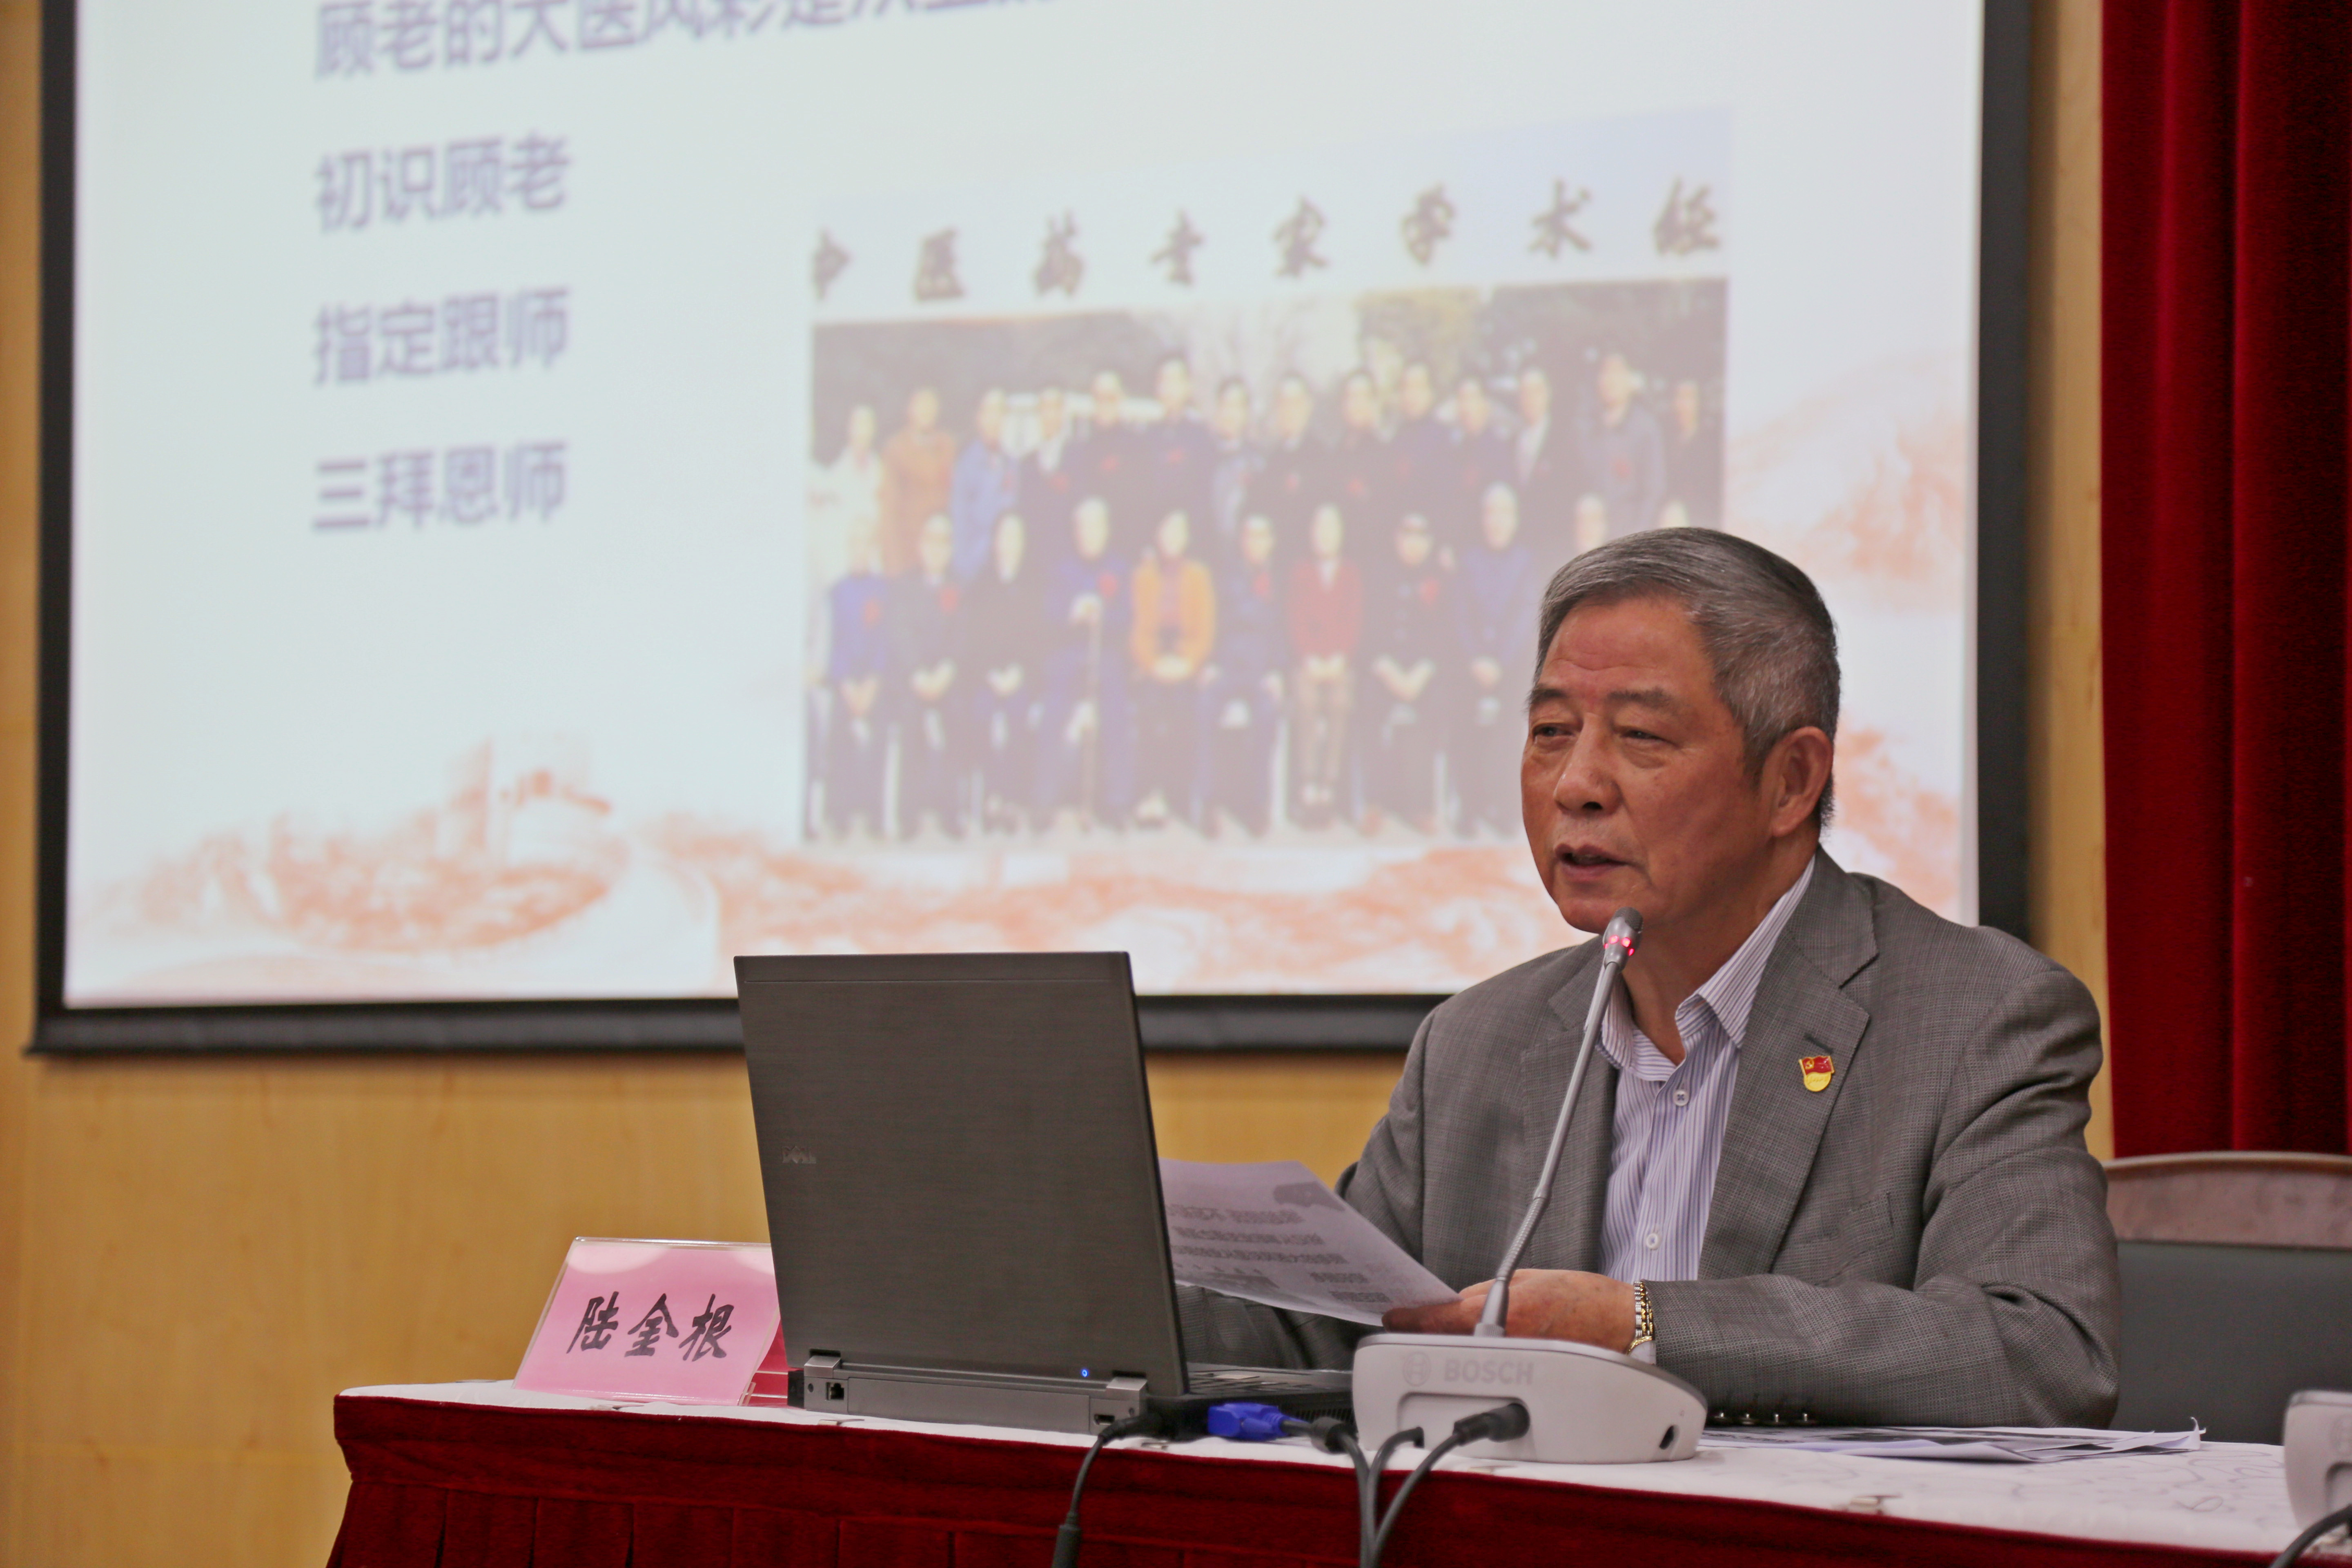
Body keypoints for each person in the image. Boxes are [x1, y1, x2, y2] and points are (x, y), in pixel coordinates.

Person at [1178, 529, 2121, 1430]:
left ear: (1791, 782)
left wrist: (1639, 1325)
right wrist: (1108, 1280)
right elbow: (1323, 1331)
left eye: (1639, 736)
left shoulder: (1976, 1019)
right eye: (1551, 730)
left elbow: (2037, 1351)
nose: (1575, 784)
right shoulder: (1475, 1044)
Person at [1034, 496, 1136, 829]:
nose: (1089, 534)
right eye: (1083, 527)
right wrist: (1072, 613)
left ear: (1106, 530)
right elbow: (1048, 614)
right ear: (1075, 531)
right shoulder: (1061, 567)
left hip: (1105, 653)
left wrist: (1104, 613)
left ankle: (1118, 801)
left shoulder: (1119, 568)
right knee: (1053, 711)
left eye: (1095, 527)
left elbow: (1127, 617)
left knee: (1116, 712)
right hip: (1069, 652)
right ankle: (1044, 799)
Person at [1452, 483, 1541, 835]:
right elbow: (1460, 615)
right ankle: (1469, 808)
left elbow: (1524, 617)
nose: (1497, 521)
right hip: (1471, 663)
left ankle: (1504, 808)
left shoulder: (1526, 562)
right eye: (1491, 513)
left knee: (1509, 729)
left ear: (1515, 519)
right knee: (1465, 726)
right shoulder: (1467, 560)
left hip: (1511, 664)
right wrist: (1476, 659)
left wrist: (1500, 663)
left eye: (1504, 513)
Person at [1199, 513, 1286, 836]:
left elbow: (1284, 630)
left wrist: (1278, 670)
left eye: (1262, 536)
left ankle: (1257, 806)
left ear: (1272, 541)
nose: (1255, 542)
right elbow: (1212, 619)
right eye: (1249, 535)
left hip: (1261, 670)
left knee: (1267, 714)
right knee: (1204, 706)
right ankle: (1208, 803)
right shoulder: (1225, 575)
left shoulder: (1280, 577)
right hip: (1227, 666)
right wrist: (1210, 662)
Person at [1129, 509, 1216, 828]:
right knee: (1149, 711)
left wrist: (1186, 664)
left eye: (1178, 532)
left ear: (1187, 538)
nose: (1171, 539)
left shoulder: (1199, 576)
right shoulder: (1143, 576)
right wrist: (1153, 664)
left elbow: (1206, 632)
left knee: (1195, 711)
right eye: (1166, 531)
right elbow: (1136, 631)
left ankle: (1200, 802)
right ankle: (1150, 797)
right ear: (1157, 536)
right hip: (1153, 665)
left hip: (1186, 665)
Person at [1363, 513, 1449, 833]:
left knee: (1432, 712)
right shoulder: (1378, 575)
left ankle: (1422, 807)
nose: (1414, 543)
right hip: (1386, 670)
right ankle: (1374, 804)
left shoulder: (1441, 577)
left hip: (1423, 673)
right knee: (1369, 710)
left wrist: (1422, 673)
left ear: (1430, 542)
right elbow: (1368, 628)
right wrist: (1387, 670)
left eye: (1421, 535)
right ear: (1397, 538)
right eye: (1408, 534)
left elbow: (1444, 633)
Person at [886, 513, 967, 838]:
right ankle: (909, 815)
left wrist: (947, 670)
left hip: (947, 677)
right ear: (920, 545)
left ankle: (952, 812)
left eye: (944, 541)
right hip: (913, 677)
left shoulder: (960, 586)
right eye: (931, 540)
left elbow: (962, 634)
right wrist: (918, 674)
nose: (937, 548)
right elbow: (900, 634)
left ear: (951, 548)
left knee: (959, 715)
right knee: (910, 717)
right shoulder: (903, 585)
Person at [964, 511, 1042, 832]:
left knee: (1018, 718)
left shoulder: (1034, 585)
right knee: (980, 716)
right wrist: (991, 675)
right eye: (1004, 536)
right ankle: (990, 796)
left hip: (1021, 677)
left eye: (1016, 537)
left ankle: (1010, 799)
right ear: (995, 542)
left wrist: (1019, 674)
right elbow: (973, 640)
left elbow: (1038, 641)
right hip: (987, 677)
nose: (1010, 544)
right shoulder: (980, 586)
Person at [1286, 503, 1363, 829]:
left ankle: (1328, 786)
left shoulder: (1351, 574)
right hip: (1308, 661)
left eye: (1331, 528)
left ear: (1341, 534)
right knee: (1305, 700)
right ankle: (1308, 785)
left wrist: (1340, 658)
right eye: (1319, 528)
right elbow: (1295, 619)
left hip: (1340, 661)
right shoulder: (1300, 572)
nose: (1324, 536)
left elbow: (1354, 621)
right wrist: (1309, 657)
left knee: (1340, 702)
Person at [817, 517, 889, 838]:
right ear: (848, 548)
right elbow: (834, 643)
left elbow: (885, 641)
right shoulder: (836, 591)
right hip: (845, 683)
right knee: (838, 731)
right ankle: (839, 813)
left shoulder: (884, 590)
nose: (860, 549)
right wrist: (846, 685)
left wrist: (872, 683)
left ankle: (874, 813)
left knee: (880, 731)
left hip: (874, 682)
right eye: (854, 543)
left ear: (873, 548)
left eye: (865, 543)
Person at [1580, 352, 1666, 540]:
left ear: (1631, 380)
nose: (1610, 380)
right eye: (1605, 372)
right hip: (1592, 543)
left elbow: (1653, 492)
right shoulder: (1587, 429)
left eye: (1617, 372)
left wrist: (1637, 540)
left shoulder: (1646, 429)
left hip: (1629, 540)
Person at [878, 387, 956, 577]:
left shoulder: (947, 447)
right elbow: (889, 513)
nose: (926, 411)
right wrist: (894, 568)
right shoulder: (896, 449)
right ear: (910, 410)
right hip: (909, 555)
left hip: (941, 555)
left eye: (931, 406)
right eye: (921, 405)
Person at [1144, 355, 1218, 550]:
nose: (1169, 389)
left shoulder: (1201, 438)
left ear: (1188, 387)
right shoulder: (1148, 438)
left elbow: (1204, 497)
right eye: (1164, 381)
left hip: (1192, 544)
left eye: (1175, 381)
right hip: (1156, 545)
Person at [949, 388, 1020, 582]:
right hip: (976, 573)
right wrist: (964, 575)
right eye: (989, 411)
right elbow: (960, 526)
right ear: (979, 417)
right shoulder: (966, 466)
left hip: (1005, 573)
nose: (995, 419)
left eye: (1000, 411)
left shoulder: (1012, 464)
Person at [1074, 370, 1145, 561]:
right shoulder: (1083, 449)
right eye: (1099, 398)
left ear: (1122, 398)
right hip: (1090, 557)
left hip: (1127, 554)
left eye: (1110, 398)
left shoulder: (1137, 448)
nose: (1104, 405)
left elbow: (1142, 508)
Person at [1512, 366, 1578, 566]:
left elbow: (1569, 495)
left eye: (1537, 391)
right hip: (1520, 549)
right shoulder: (1511, 441)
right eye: (1525, 392)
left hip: (1554, 549)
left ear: (1548, 395)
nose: (1530, 399)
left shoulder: (1565, 441)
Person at [1446, 374, 1513, 562]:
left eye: (1473, 398)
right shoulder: (1454, 451)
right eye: (1462, 399)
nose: (1467, 407)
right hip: (1457, 551)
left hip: (1487, 555)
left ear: (1486, 404)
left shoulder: (1499, 449)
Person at [1251, 373, 1323, 547]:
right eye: (1284, 403)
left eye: (1296, 403)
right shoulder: (1270, 462)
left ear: (1309, 406)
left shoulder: (1323, 459)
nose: (1290, 410)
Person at [1386, 361, 1451, 545]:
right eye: (1406, 387)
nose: (1411, 395)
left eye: (1419, 387)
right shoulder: (1395, 441)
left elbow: (1447, 504)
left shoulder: (1443, 441)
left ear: (1431, 394)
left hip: (1432, 543)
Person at [1327, 370, 1390, 548]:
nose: (1356, 404)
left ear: (1374, 403)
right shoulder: (1333, 457)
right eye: (1351, 397)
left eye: (1363, 397)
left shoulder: (1384, 457)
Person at [1207, 376, 1263, 565]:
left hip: (1244, 564)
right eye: (1226, 405)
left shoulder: (1257, 464)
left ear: (1246, 413)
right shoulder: (1203, 458)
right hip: (1207, 560)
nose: (1230, 413)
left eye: (1237, 407)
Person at [1659, 379, 1721, 530]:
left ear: (1699, 403)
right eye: (1678, 397)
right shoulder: (1665, 441)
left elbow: (1710, 495)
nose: (1682, 405)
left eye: (1688, 398)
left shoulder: (1710, 445)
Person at [1023, 385, 1079, 537]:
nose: (1050, 415)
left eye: (1055, 408)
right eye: (1045, 408)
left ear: (1063, 412)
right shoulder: (1027, 463)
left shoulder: (1077, 457)